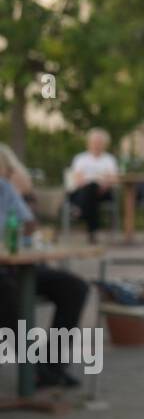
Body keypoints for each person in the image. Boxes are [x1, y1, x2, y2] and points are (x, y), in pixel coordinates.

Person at [0, 153, 90, 388]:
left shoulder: (5, 189)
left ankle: (51, 365)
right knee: (6, 291)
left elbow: (29, 223)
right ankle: (34, 367)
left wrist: (23, 215)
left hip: (17, 264)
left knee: (74, 287)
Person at [66, 128, 119, 243]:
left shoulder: (109, 159)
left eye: (99, 143)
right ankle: (92, 232)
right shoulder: (80, 158)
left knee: (92, 190)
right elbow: (78, 179)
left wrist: (104, 183)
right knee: (91, 190)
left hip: (103, 192)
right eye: (94, 142)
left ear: (105, 144)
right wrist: (97, 179)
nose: (96, 145)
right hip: (84, 191)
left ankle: (80, 212)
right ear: (88, 143)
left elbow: (114, 179)